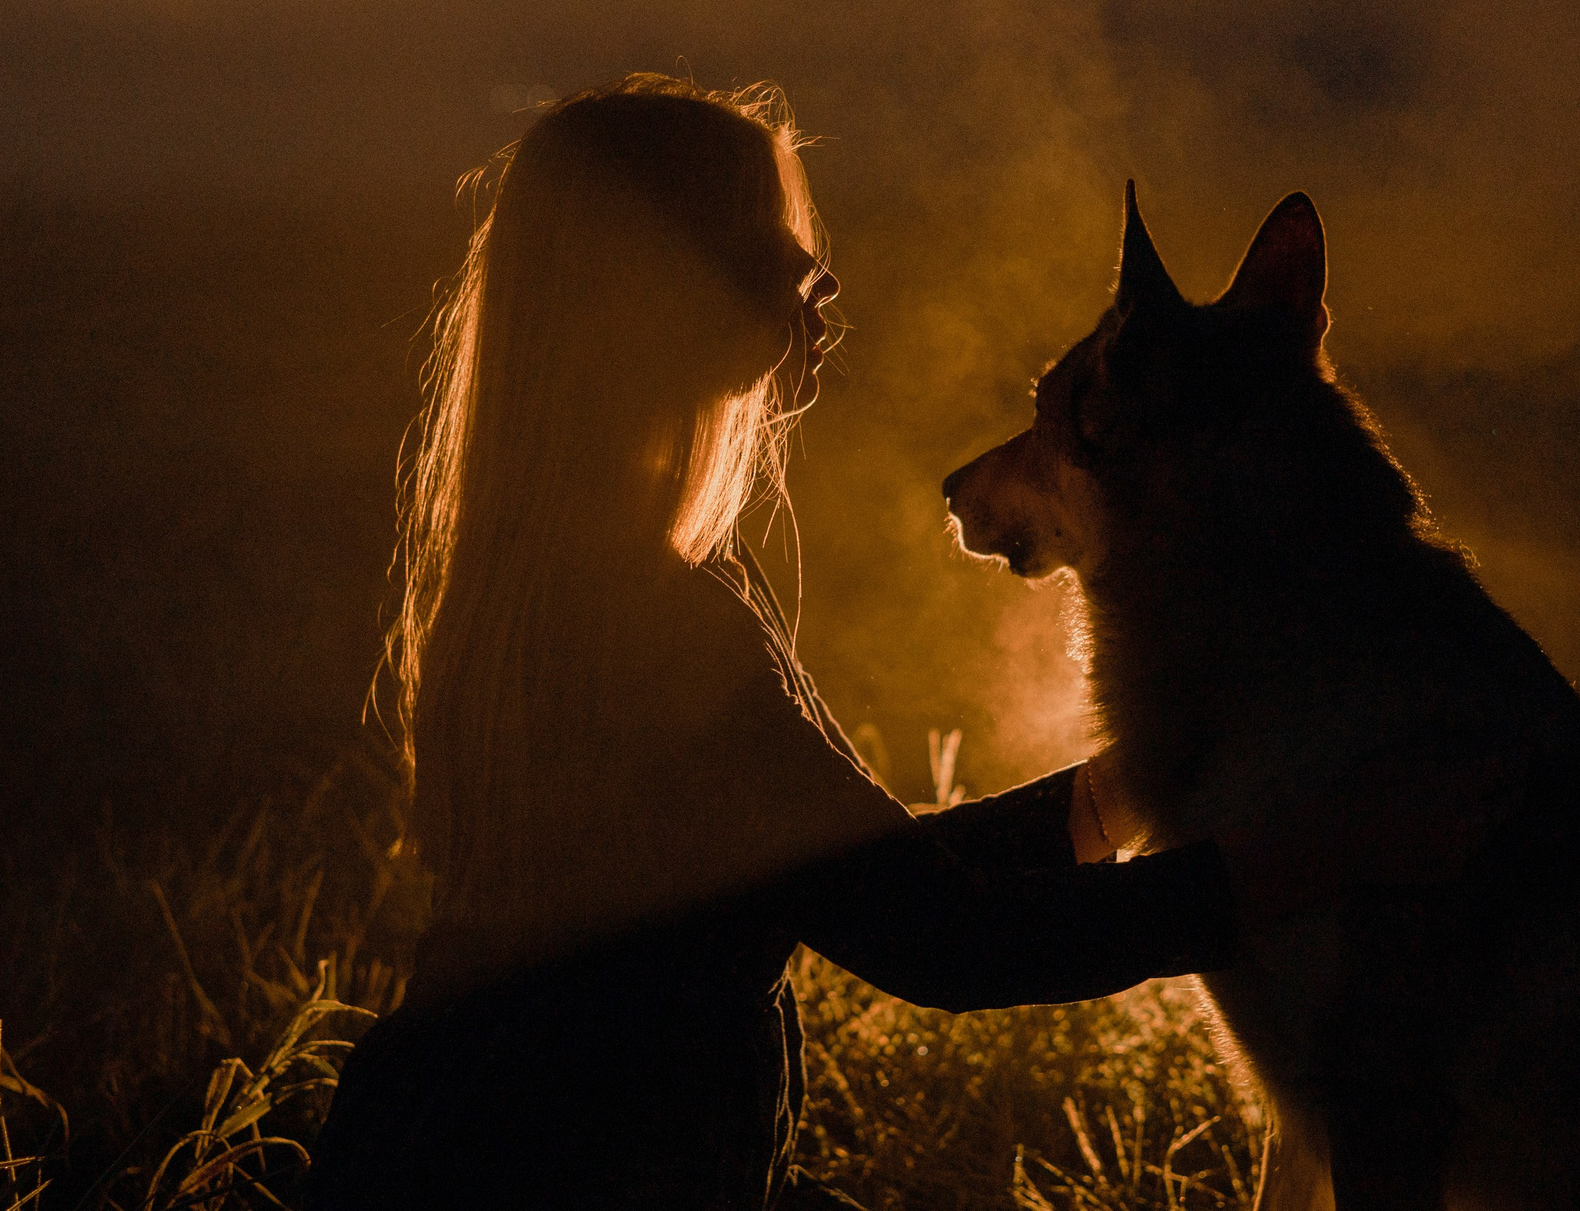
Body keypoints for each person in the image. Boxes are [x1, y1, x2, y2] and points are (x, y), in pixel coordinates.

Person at [304, 76, 1485, 1209]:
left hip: (479, 1152)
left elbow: (856, 874)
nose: (814, 272)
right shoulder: (651, 622)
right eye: (769, 239)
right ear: (659, 287)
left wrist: (1132, 787)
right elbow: (950, 941)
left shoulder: (614, 574)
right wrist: (1322, 848)